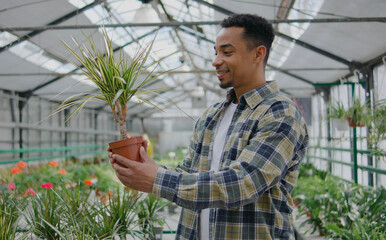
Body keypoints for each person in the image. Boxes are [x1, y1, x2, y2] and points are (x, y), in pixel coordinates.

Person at [110, 13, 309, 240]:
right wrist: (147, 167)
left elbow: (244, 182)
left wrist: (157, 179)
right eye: (216, 52)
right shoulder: (213, 115)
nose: (216, 61)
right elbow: (190, 173)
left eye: (227, 52)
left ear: (258, 54)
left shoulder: (279, 112)